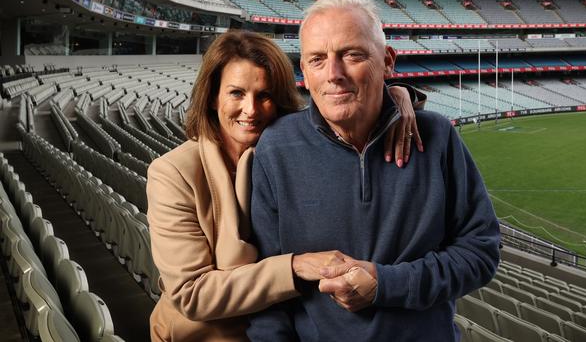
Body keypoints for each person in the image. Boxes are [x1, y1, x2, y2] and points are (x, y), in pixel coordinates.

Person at [247, 0, 501, 342]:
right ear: (303, 69)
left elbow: (481, 251)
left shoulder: (438, 137)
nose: (334, 73)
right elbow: (266, 284)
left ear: (388, 62)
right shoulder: (276, 148)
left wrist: (387, 284)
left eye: (352, 55)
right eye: (317, 59)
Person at [146, 31, 424, 341]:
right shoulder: (172, 174)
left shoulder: (286, 151)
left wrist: (397, 97)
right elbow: (192, 294)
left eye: (264, 95)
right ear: (213, 97)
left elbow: (340, 106)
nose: (251, 110)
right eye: (236, 93)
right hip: (206, 334)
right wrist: (295, 267)